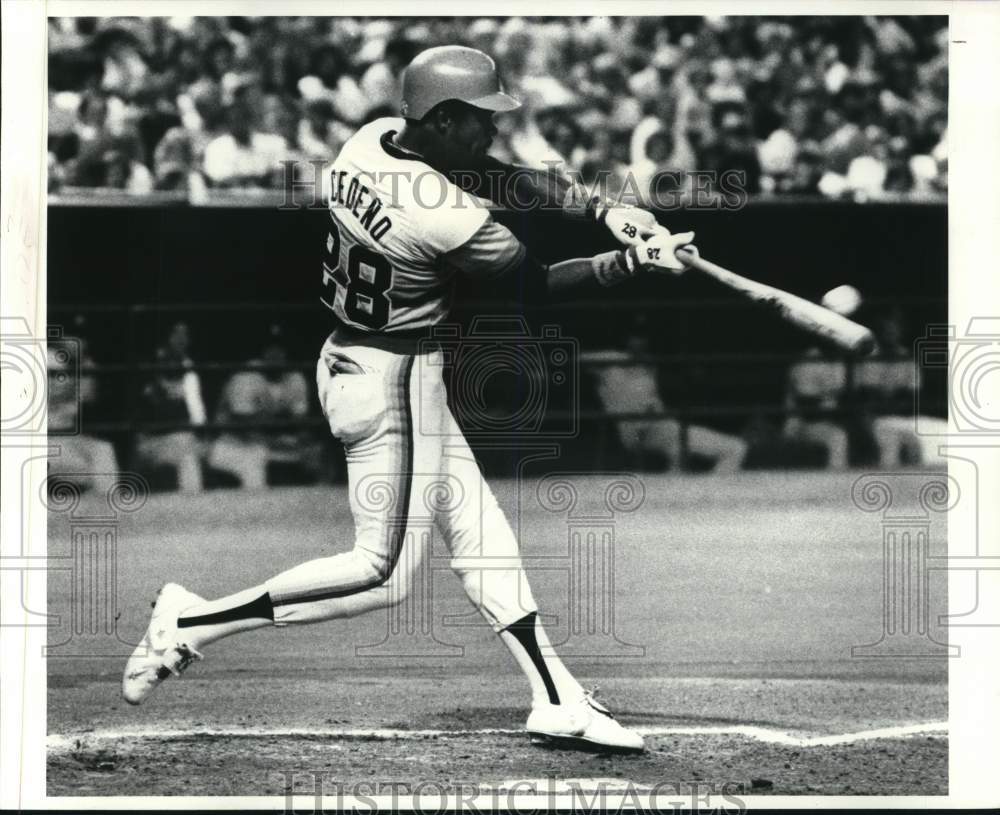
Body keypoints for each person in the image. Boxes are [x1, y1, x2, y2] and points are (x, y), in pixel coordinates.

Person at [123, 45, 698, 754]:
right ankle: (190, 622)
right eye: (481, 118)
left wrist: (604, 209)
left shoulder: (368, 141)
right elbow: (537, 284)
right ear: (445, 117)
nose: (492, 129)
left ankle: (556, 697)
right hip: (389, 378)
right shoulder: (444, 218)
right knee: (384, 572)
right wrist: (630, 261)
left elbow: (500, 174)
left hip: (373, 361)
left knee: (482, 534)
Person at [584, 327, 746, 473]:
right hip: (636, 431)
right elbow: (578, 359)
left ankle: (699, 493)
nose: (639, 343)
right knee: (734, 448)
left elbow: (653, 400)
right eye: (635, 338)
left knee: (735, 447)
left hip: (664, 428)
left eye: (643, 340)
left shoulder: (649, 368)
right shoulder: (612, 362)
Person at [209, 329, 321, 489]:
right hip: (231, 445)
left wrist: (304, 443)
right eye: (270, 349)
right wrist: (282, 441)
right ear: (262, 352)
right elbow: (243, 428)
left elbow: (300, 423)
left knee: (314, 456)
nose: (275, 354)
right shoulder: (245, 376)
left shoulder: (295, 378)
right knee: (255, 458)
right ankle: (258, 511)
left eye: (280, 349)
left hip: (270, 444)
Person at [134, 321, 207, 492]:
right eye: (176, 334)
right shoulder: (151, 366)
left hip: (185, 438)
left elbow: (198, 413)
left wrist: (201, 434)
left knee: (192, 447)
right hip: (152, 442)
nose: (182, 339)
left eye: (185, 335)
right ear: (166, 338)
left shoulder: (189, 367)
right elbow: (156, 413)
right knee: (187, 455)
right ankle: (194, 510)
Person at [782, 346, 849, 469]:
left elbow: (841, 396)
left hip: (827, 421)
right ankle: (832, 482)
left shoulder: (839, 362)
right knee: (838, 438)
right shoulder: (809, 361)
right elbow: (806, 404)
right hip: (802, 423)